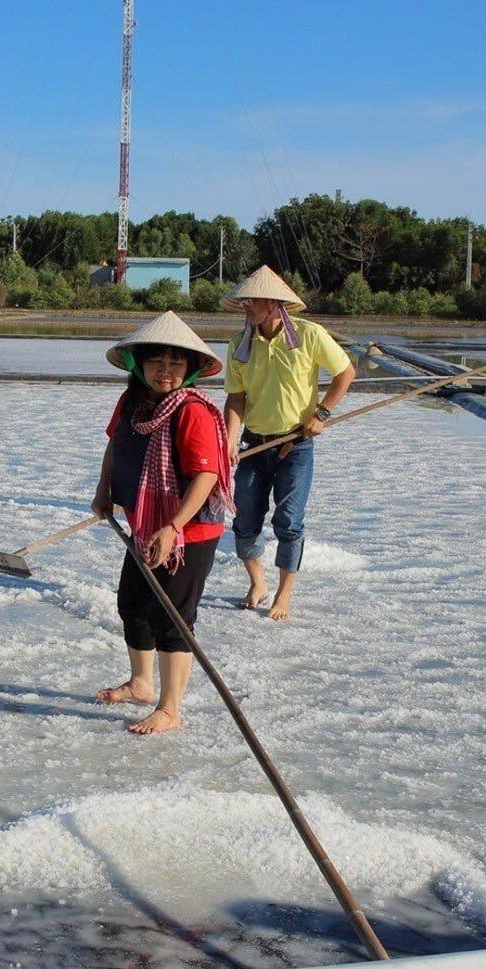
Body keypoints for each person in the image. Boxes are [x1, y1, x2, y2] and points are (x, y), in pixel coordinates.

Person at [91, 312, 233, 735]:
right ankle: (140, 683)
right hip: (143, 524)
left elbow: (207, 476)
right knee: (133, 604)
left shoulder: (192, 411)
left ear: (189, 368)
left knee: (173, 617)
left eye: (176, 363)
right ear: (140, 364)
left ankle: (170, 708)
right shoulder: (133, 401)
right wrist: (104, 491)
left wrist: (172, 526)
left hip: (188, 531)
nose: (166, 370)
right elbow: (116, 445)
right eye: (157, 361)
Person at [222, 265, 355, 620]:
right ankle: (257, 583)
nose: (245, 306)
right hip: (253, 445)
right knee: (245, 517)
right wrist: (230, 442)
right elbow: (236, 398)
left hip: (296, 445)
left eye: (252, 300)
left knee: (289, 521)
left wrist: (322, 414)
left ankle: (284, 593)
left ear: (273, 303)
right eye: (244, 301)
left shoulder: (309, 335)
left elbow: (346, 372)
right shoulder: (239, 345)